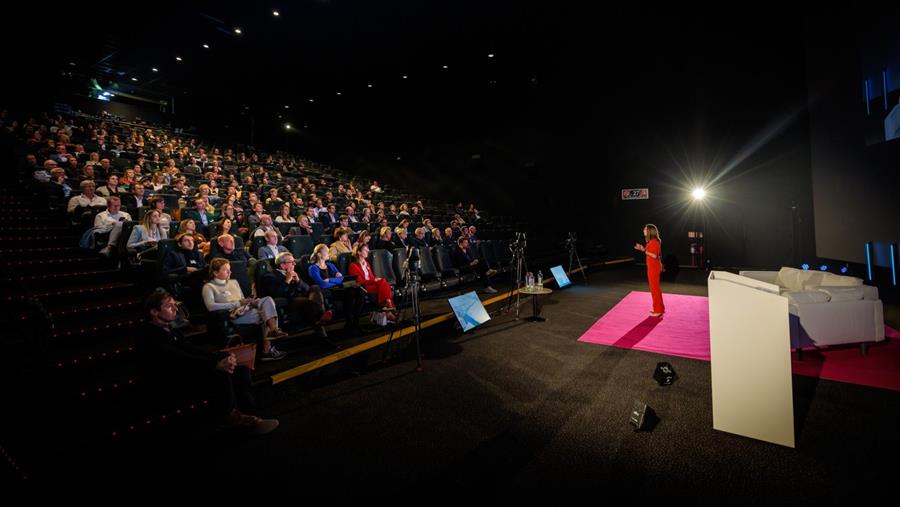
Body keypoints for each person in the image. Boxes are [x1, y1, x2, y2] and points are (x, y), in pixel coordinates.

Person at [136, 289, 279, 434]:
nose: (175, 309)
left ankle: (247, 412)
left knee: (240, 370)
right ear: (154, 312)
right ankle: (229, 417)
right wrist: (215, 364)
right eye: (169, 306)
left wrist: (222, 356)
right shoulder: (150, 335)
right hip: (171, 378)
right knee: (220, 372)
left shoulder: (170, 330)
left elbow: (192, 350)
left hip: (186, 368)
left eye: (175, 304)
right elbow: (180, 359)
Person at [202, 258, 287, 361]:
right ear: (215, 273)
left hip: (246, 308)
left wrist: (249, 301)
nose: (230, 272)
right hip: (234, 314)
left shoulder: (234, 282)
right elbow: (210, 306)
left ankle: (273, 331)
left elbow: (241, 298)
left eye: (230, 269)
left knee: (267, 300)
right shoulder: (209, 287)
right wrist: (237, 303)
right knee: (267, 314)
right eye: (226, 270)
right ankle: (268, 347)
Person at [260, 253, 333, 344]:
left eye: (294, 261)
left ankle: (320, 317)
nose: (294, 264)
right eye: (291, 262)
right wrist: (287, 281)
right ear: (282, 265)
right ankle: (321, 320)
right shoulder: (270, 276)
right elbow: (276, 293)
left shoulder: (295, 273)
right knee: (309, 303)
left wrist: (298, 281)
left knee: (315, 287)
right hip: (289, 300)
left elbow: (307, 288)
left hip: (301, 295)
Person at [308, 244, 364, 333]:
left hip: (338, 289)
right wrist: (336, 280)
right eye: (326, 252)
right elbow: (322, 284)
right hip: (327, 292)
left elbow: (341, 279)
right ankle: (350, 323)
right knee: (350, 292)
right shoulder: (313, 268)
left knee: (358, 291)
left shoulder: (330, 265)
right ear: (319, 254)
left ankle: (355, 322)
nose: (329, 253)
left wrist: (330, 280)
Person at [348, 244, 397, 320]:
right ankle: (389, 305)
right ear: (359, 252)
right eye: (365, 250)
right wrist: (374, 280)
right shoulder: (353, 265)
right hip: (363, 287)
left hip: (371, 285)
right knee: (384, 283)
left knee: (383, 282)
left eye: (367, 250)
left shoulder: (367, 263)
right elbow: (359, 281)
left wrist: (374, 280)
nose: (367, 251)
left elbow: (372, 277)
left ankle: (388, 309)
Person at [634, 224, 665, 317]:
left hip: (653, 268)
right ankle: (659, 309)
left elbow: (654, 255)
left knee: (655, 289)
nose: (643, 230)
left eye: (645, 229)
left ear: (649, 231)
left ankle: (658, 310)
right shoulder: (652, 242)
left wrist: (643, 250)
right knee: (655, 289)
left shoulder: (654, 242)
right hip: (653, 267)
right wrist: (642, 249)